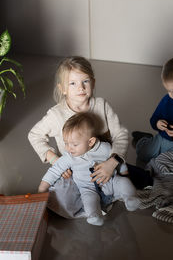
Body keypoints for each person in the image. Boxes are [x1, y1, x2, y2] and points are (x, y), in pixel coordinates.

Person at [28, 56, 129, 218]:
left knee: (126, 182)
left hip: (103, 167)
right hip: (76, 172)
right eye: (72, 83)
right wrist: (54, 158)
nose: (80, 88)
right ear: (63, 89)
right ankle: (93, 207)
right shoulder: (56, 115)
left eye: (86, 81)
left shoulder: (102, 106)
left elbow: (121, 134)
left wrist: (112, 162)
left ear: (93, 83)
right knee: (60, 198)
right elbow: (34, 135)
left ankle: (106, 195)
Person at [38, 112, 139, 226]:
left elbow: (118, 162)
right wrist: (42, 189)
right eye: (66, 143)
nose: (68, 148)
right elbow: (54, 171)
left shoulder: (105, 148)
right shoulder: (69, 157)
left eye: (74, 144)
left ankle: (130, 199)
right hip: (87, 188)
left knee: (123, 182)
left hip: (110, 182)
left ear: (91, 141)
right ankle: (94, 215)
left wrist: (125, 174)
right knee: (89, 200)